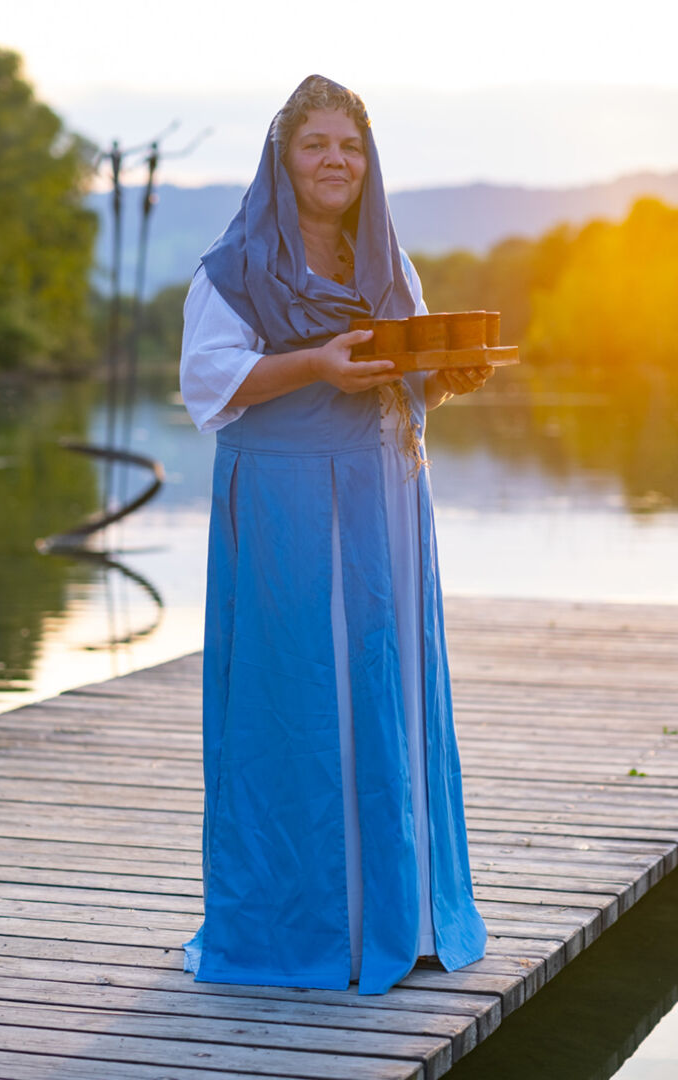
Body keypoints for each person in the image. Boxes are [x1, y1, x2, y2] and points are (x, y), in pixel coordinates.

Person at [179, 74, 493, 997]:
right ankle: (312, 924)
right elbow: (209, 383)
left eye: (350, 146)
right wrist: (313, 362)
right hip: (288, 511)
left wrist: (447, 377)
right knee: (301, 698)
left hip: (386, 502)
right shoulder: (233, 271)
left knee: (389, 691)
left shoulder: (388, 267)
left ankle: (405, 917)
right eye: (315, 144)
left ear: (369, 161)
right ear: (284, 157)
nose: (335, 161)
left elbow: (407, 378)